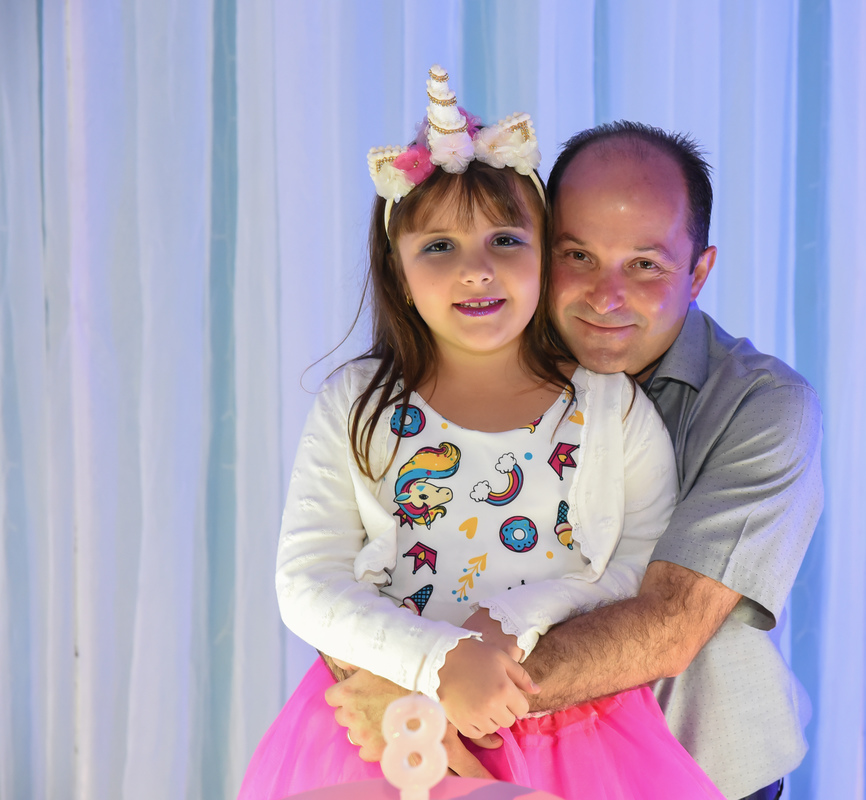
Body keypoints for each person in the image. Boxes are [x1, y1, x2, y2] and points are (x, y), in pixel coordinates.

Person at [238, 69, 724, 800]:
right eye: (439, 246)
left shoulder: (609, 409)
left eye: (504, 240)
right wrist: (435, 663)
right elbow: (307, 580)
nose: (476, 271)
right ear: (397, 269)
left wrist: (507, 623)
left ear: (545, 253)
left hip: (571, 736)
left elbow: (636, 565)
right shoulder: (358, 404)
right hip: (388, 727)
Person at [330, 122, 824, 800]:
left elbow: (669, 623)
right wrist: (387, 669)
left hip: (702, 769)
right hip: (484, 769)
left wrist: (434, 688)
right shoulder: (467, 352)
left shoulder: (763, 405)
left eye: (645, 265)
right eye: (578, 255)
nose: (605, 296)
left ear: (699, 272)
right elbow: (345, 551)